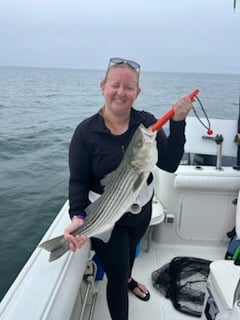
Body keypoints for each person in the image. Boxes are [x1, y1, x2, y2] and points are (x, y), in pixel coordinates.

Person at [64, 57, 192, 320]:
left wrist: (178, 122)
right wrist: (78, 216)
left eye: (129, 87)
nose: (121, 92)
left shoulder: (146, 123)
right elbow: (77, 181)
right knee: (117, 278)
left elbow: (168, 164)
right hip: (107, 215)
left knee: (129, 258)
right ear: (103, 86)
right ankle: (124, 286)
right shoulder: (85, 132)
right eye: (115, 85)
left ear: (138, 92)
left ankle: (129, 277)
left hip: (140, 210)